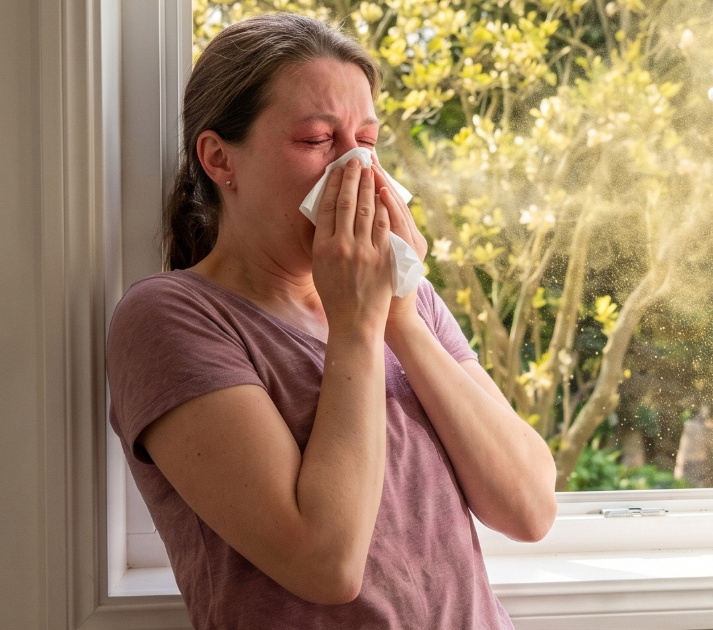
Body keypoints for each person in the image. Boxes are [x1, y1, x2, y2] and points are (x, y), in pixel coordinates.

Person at [106, 13, 557, 629]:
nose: (357, 171)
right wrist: (357, 328)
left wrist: (399, 315)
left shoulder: (402, 302)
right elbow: (327, 564)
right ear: (218, 159)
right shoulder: (170, 319)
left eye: (366, 142)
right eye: (318, 141)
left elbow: (529, 508)